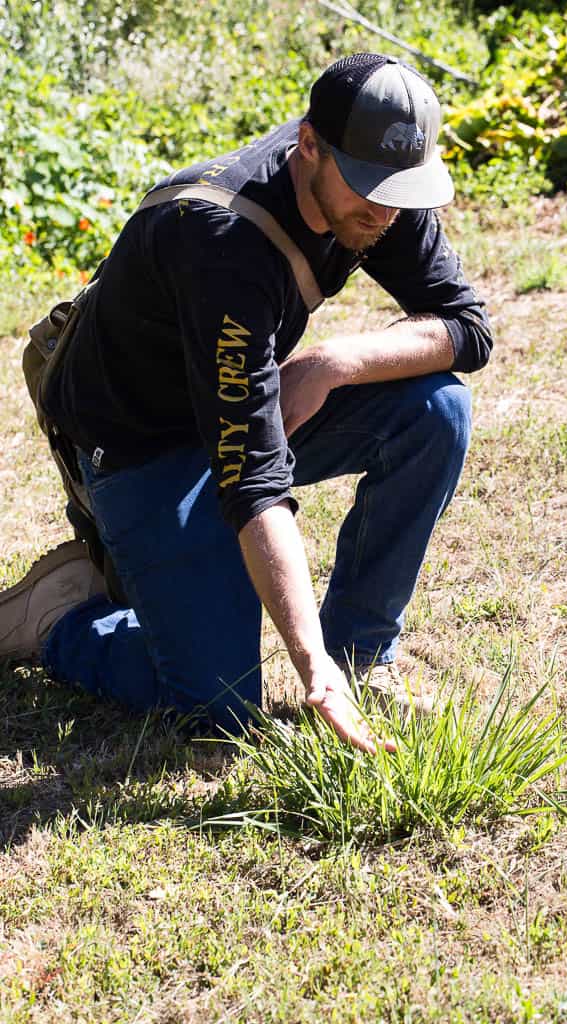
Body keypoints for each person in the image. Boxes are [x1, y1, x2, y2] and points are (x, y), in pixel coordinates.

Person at [0, 53, 493, 752]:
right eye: (365, 187)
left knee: (435, 410)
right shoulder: (221, 242)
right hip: (142, 449)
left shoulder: (380, 193)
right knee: (219, 711)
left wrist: (334, 361)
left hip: (232, 411)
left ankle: (362, 658)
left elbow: (466, 328)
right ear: (308, 145)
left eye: (400, 190)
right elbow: (253, 480)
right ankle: (62, 619)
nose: (382, 210)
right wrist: (305, 658)